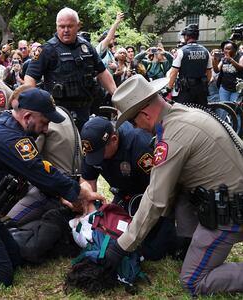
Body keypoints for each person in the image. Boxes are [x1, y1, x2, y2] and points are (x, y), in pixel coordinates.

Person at [0, 87, 105, 292]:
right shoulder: (8, 137)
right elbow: (39, 170)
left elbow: (36, 171)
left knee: (14, 256)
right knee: (0, 275)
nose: (46, 129)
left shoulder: (4, 124)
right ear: (27, 116)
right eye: (45, 123)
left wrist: (63, 194)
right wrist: (82, 194)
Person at [104, 74, 243, 296]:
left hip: (229, 212)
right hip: (227, 195)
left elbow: (155, 199)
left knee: (193, 281)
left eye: (132, 121)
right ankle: (188, 245)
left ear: (145, 114)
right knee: (177, 189)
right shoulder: (184, 114)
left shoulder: (173, 137)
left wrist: (121, 246)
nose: (134, 127)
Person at [80, 116, 180, 260]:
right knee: (110, 234)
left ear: (114, 139)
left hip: (153, 197)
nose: (97, 159)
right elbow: (88, 180)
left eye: (100, 154)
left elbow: (162, 187)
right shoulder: (93, 147)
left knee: (153, 252)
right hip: (124, 195)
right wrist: (90, 211)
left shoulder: (139, 144)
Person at [24, 7, 116, 130]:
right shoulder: (46, 49)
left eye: (70, 26)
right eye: (62, 26)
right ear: (56, 27)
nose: (66, 30)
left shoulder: (87, 47)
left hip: (84, 110)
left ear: (78, 26)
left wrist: (116, 95)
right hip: (57, 112)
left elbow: (102, 72)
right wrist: (34, 107)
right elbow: (30, 78)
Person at [5, 85, 82, 226]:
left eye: (17, 108)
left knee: (4, 222)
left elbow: (28, 164)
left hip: (56, 189)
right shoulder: (60, 112)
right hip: (70, 181)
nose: (15, 114)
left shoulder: (39, 122)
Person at [167, 24, 212, 106]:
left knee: (182, 114)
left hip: (186, 91)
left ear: (186, 36)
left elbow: (174, 73)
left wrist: (168, 88)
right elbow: (209, 73)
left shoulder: (181, 51)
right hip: (201, 90)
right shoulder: (206, 51)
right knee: (202, 113)